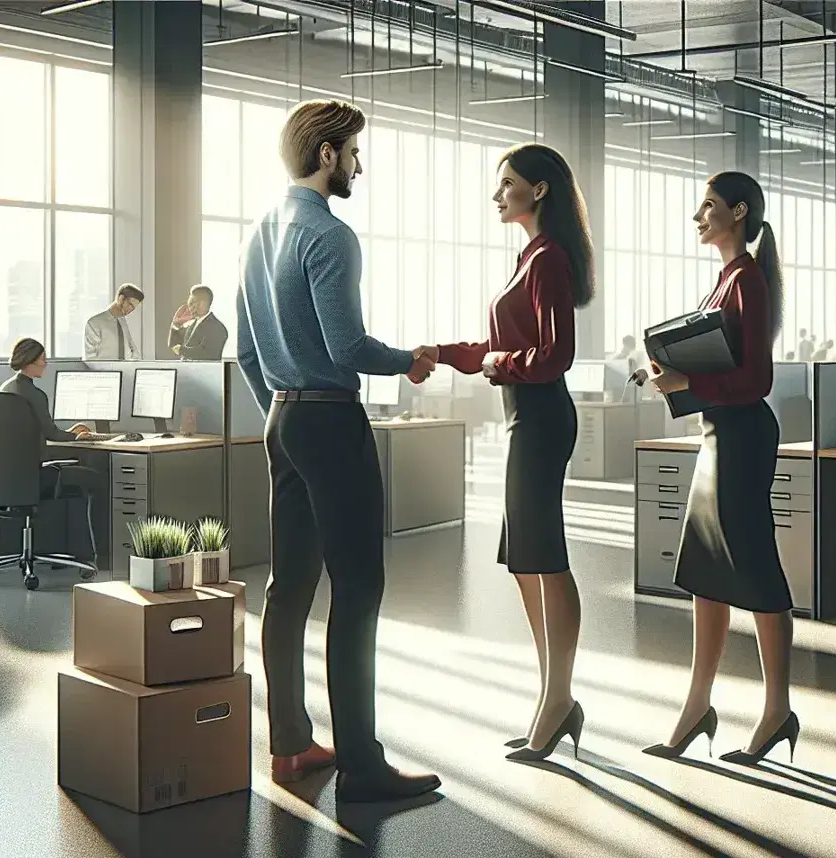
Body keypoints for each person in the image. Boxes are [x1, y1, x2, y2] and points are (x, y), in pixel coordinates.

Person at [235, 98, 440, 803]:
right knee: (358, 587)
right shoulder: (329, 234)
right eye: (352, 152)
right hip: (327, 419)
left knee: (286, 587)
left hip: (283, 421)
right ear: (327, 154)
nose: (357, 164)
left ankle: (289, 745)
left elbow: (246, 351)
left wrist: (283, 412)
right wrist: (412, 358)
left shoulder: (259, 233)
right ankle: (361, 762)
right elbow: (348, 346)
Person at [434, 143, 594, 762]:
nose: (497, 195)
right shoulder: (527, 259)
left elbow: (555, 355)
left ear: (540, 190)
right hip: (521, 419)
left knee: (546, 557)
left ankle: (559, 698)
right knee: (525, 558)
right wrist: (442, 352)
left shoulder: (548, 259)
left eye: (507, 184)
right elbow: (498, 344)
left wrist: (500, 363)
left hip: (543, 418)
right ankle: (552, 696)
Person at [638, 171, 798, 764]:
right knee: (706, 571)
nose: (697, 216)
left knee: (755, 570)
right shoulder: (725, 280)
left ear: (738, 211)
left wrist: (688, 379)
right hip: (717, 435)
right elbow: (715, 370)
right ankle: (697, 707)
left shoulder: (747, 280)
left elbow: (757, 378)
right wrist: (671, 378)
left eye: (707, 206)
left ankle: (777, 709)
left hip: (743, 435)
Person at [0, 337, 103, 496]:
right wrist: (77, 437)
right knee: (96, 479)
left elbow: (44, 430)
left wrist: (70, 432)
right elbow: (51, 434)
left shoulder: (5, 388)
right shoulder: (35, 395)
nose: (45, 364)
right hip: (34, 474)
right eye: (43, 359)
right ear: (30, 361)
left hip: (6, 475)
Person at [169, 285, 229, 361]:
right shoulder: (191, 325)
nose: (190, 308)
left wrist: (181, 350)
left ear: (203, 303)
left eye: (191, 304)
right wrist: (175, 325)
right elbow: (173, 346)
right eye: (189, 304)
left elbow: (207, 354)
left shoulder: (217, 327)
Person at [84, 284, 144, 360]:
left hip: (126, 370)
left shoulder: (123, 322)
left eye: (133, 308)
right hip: (105, 371)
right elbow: (90, 359)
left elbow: (132, 348)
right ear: (121, 298)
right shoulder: (94, 323)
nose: (131, 310)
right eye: (130, 305)